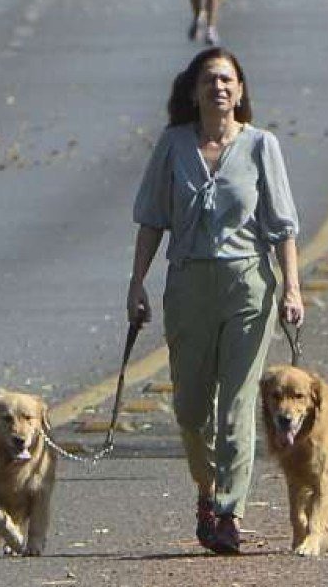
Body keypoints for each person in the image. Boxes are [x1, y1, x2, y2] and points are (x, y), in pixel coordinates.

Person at [127, 48, 303, 556]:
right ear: (193, 91)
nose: (219, 88)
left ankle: (229, 511)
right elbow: (151, 220)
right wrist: (136, 284)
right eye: (209, 80)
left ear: (241, 91)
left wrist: (292, 287)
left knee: (238, 404)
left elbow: (282, 226)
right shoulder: (173, 145)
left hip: (248, 283)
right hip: (188, 285)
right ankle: (207, 490)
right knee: (190, 409)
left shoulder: (261, 146)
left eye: (227, 80)